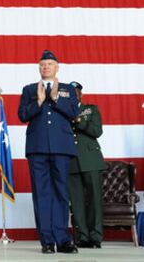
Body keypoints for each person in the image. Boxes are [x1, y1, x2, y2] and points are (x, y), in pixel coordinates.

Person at [18, 50, 79, 254]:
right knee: (41, 194)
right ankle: (46, 240)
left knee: (62, 193)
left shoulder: (68, 90)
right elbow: (22, 115)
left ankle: (62, 239)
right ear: (39, 68)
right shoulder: (29, 90)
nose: (46, 67)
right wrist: (39, 101)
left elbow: (73, 113)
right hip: (37, 148)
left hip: (61, 148)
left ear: (57, 67)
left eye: (50, 64)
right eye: (43, 64)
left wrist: (55, 98)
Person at [69, 81, 106, 248]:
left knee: (94, 200)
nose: (74, 94)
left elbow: (96, 131)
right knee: (76, 201)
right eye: (70, 92)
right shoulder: (61, 111)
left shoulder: (91, 109)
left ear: (81, 94)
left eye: (76, 92)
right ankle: (83, 236)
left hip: (91, 159)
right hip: (71, 161)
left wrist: (78, 121)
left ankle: (95, 236)